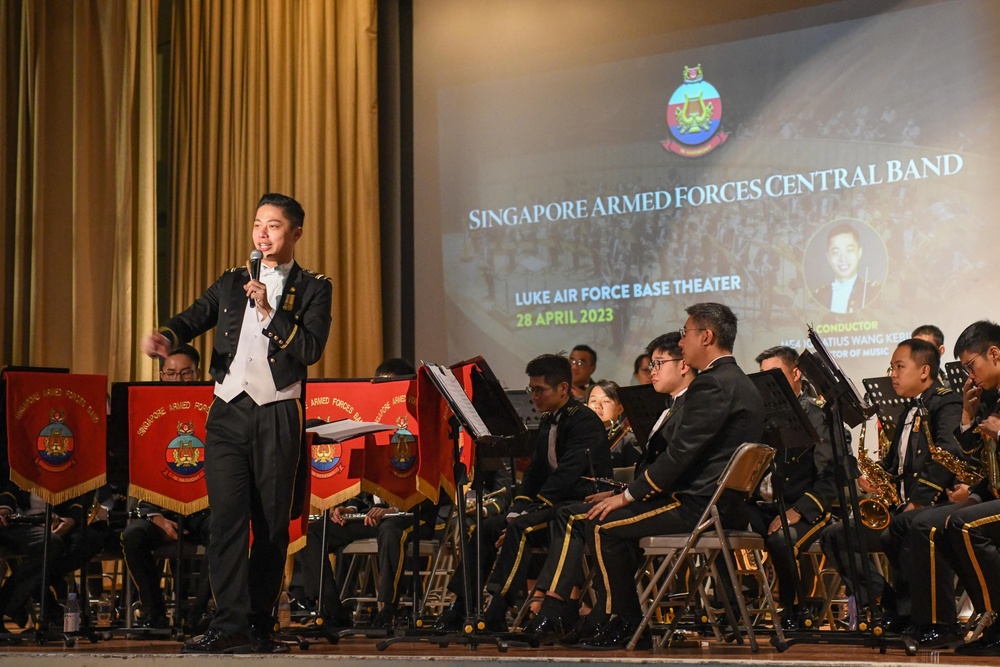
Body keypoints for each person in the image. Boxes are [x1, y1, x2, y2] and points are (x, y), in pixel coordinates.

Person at [141, 193, 332, 654]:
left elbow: (309, 350)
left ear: (296, 234)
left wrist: (270, 310)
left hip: (277, 412)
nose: (262, 234)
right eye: (257, 225)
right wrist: (166, 336)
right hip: (227, 411)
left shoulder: (313, 286)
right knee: (226, 521)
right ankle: (228, 624)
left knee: (269, 527)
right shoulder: (231, 280)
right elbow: (194, 317)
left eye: (274, 226)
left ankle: (260, 624)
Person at [581, 303, 765, 649]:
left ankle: (624, 623)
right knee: (606, 519)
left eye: (686, 334)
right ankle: (611, 619)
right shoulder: (740, 382)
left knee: (602, 525)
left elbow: (679, 456)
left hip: (699, 507)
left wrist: (627, 496)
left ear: (706, 337)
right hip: (723, 505)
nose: (681, 343)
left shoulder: (711, 385)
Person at [522, 331, 695, 645]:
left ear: (683, 365)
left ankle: (609, 616)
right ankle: (585, 611)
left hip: (682, 504)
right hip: (655, 494)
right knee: (572, 512)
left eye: (658, 363)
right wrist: (624, 490)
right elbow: (657, 466)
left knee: (598, 522)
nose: (651, 371)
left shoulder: (690, 406)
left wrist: (626, 495)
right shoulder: (672, 406)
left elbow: (676, 466)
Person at [819, 338, 961, 632]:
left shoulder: (945, 402)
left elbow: (948, 454)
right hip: (902, 509)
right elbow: (894, 462)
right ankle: (886, 600)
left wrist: (919, 500)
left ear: (924, 371)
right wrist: (874, 475)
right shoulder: (909, 409)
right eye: (892, 367)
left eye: (899, 367)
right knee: (837, 534)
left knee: (897, 534)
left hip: (935, 506)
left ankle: (917, 617)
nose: (892, 374)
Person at [481, 354, 610, 631]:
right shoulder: (548, 420)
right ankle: (462, 603)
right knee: (490, 526)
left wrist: (526, 513)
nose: (534, 396)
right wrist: (517, 508)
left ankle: (498, 607)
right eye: (532, 389)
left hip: (577, 506)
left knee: (521, 527)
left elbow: (566, 476)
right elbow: (534, 474)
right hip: (554, 507)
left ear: (563, 388)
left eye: (540, 390)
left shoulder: (584, 421)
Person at [893, 321, 1000, 652]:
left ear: (994, 354)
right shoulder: (991, 398)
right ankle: (945, 623)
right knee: (933, 523)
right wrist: (968, 418)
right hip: (993, 495)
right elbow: (975, 464)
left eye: (971, 366)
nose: (969, 376)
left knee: (964, 526)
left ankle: (994, 620)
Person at [120, 344, 213, 631]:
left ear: (198, 374)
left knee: (225, 532)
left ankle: (198, 614)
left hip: (205, 508)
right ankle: (154, 613)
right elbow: (138, 471)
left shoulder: (216, 404)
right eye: (171, 374)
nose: (178, 380)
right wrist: (153, 516)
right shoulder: (149, 409)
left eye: (186, 373)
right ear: (161, 375)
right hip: (161, 510)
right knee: (134, 536)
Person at [750, 346, 839, 629]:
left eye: (774, 375)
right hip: (761, 506)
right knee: (714, 526)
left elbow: (831, 476)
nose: (768, 384)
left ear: (796, 373)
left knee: (781, 539)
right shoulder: (758, 416)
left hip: (803, 507)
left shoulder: (815, 414)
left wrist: (799, 510)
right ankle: (730, 608)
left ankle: (795, 610)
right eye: (763, 377)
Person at [813, 222, 879, 314]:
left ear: (859, 253)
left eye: (849, 250)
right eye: (836, 252)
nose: (843, 259)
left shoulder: (874, 292)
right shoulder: (819, 295)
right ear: (828, 258)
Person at [587, 381, 643, 468]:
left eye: (606, 401)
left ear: (620, 408)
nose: (598, 406)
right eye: (593, 400)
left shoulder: (629, 440)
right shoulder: (580, 436)